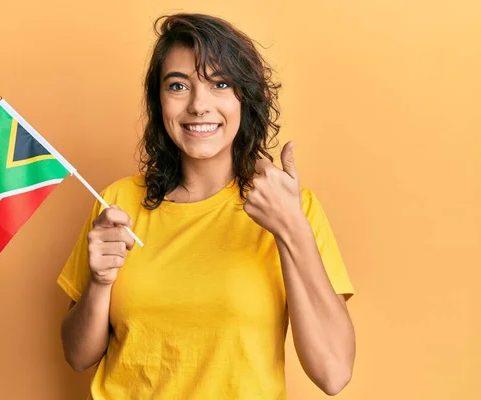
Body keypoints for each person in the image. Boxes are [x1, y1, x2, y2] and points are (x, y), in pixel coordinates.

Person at [58, 13, 355, 399]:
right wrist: (99, 283)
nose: (199, 105)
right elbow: (77, 355)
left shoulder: (292, 206)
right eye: (179, 85)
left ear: (244, 99)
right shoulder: (117, 203)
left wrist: (291, 228)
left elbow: (333, 373)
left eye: (220, 84)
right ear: (158, 100)